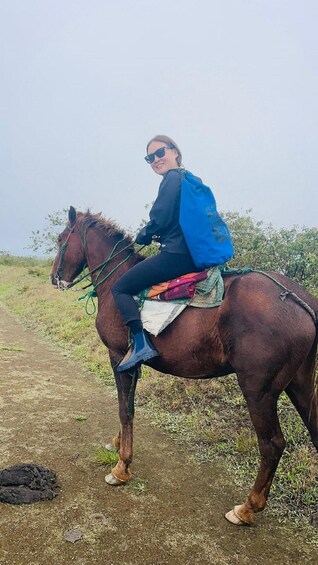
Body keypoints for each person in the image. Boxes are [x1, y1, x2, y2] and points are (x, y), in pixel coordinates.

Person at [111, 135, 202, 372]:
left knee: (120, 288)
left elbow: (159, 217)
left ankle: (141, 345)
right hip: (194, 254)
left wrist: (145, 233)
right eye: (150, 157)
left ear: (175, 152)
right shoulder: (191, 180)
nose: (155, 159)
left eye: (160, 153)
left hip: (176, 255)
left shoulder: (172, 178)